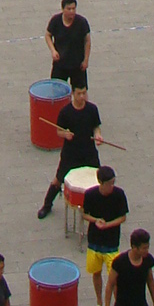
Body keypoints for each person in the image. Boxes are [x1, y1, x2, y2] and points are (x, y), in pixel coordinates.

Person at [38, 82, 103, 218]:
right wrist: (65, 134)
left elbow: (96, 127)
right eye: (79, 93)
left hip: (88, 151)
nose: (82, 96)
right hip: (71, 153)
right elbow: (59, 131)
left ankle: (99, 207)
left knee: (99, 178)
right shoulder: (65, 112)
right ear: (73, 94)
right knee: (58, 179)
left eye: (84, 93)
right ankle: (47, 205)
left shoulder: (92, 109)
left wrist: (98, 135)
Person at [83, 166, 128, 306]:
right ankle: (99, 303)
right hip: (94, 241)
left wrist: (108, 225)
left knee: (114, 277)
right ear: (101, 183)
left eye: (113, 182)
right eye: (109, 183)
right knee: (96, 272)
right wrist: (96, 220)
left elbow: (123, 217)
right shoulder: (90, 194)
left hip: (111, 242)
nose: (112, 186)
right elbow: (85, 214)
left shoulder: (119, 194)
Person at [105, 229, 154, 306]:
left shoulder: (147, 260)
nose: (146, 251)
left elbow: (150, 281)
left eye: (147, 247)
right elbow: (110, 285)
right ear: (134, 247)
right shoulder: (120, 262)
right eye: (144, 248)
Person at [46, 0, 91, 88]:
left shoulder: (81, 22)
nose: (71, 11)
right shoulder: (56, 21)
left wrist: (86, 60)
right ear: (63, 9)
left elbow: (87, 41)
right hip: (60, 64)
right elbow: (48, 35)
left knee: (80, 91)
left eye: (73, 9)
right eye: (69, 9)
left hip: (77, 64)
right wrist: (53, 51)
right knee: (57, 90)